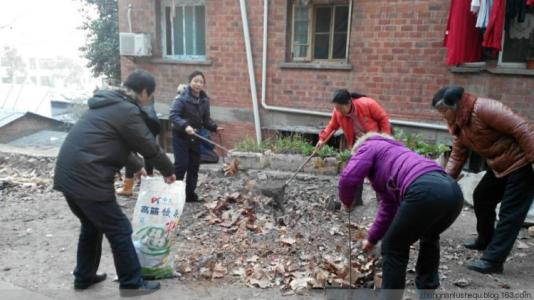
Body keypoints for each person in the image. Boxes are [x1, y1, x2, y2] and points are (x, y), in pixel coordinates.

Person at [53, 70, 176, 296]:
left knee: (91, 226)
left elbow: (112, 142)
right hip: (88, 178)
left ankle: (84, 276)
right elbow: (149, 146)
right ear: (145, 92)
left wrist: (138, 165)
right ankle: (132, 284)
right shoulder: (127, 110)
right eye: (150, 95)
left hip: (68, 175)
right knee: (120, 229)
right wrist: (169, 171)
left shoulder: (108, 105)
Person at [338, 132, 463, 300]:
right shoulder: (396, 155)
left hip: (424, 189)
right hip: (453, 193)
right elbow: (389, 207)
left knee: (393, 247)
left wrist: (346, 201)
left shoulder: (368, 145)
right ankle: (426, 292)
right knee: (429, 236)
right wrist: (372, 238)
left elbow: (348, 177)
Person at [432, 85, 534, 274]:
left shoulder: (485, 108)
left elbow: (523, 129)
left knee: (510, 213)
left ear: (456, 105)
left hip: (522, 164)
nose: (443, 116)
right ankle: (485, 239)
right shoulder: (459, 125)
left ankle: (493, 260)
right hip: (500, 166)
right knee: (482, 197)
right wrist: (444, 184)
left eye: (444, 110)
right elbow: (457, 156)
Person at [318, 89, 391, 206]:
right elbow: (331, 126)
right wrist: (322, 139)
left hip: (376, 142)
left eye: (340, 108)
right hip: (358, 145)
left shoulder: (367, 104)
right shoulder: (337, 113)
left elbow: (383, 119)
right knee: (355, 172)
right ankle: (355, 201)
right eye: (336, 108)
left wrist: (385, 140)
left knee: (379, 171)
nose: (338, 111)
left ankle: (383, 201)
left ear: (349, 103)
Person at [169, 71, 223, 202]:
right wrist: (185, 126)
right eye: (195, 81)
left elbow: (206, 119)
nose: (198, 84)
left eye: (201, 82)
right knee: (181, 165)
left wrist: (214, 127)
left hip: (195, 137)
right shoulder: (181, 99)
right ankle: (174, 194)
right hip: (181, 137)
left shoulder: (204, 100)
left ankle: (189, 195)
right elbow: (173, 116)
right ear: (190, 82)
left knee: (194, 167)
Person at [116, 97, 161, 196]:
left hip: (136, 126)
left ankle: (129, 186)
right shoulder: (147, 95)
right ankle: (147, 183)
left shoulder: (130, 96)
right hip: (147, 126)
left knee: (131, 153)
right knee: (147, 153)